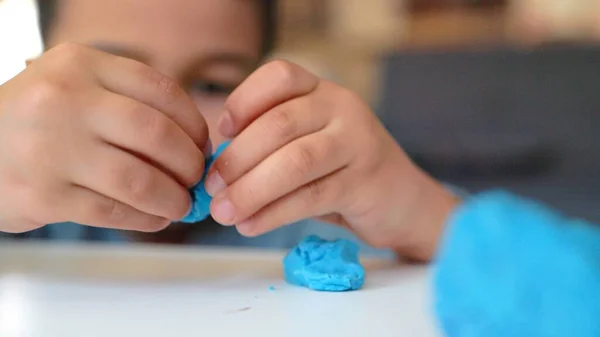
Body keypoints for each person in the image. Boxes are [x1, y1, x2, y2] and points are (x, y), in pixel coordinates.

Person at [0, 1, 599, 336]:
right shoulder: (18, 199)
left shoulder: (319, 210)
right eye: (114, 74)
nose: (165, 120)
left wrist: (418, 211)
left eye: (214, 82)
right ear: (41, 82)